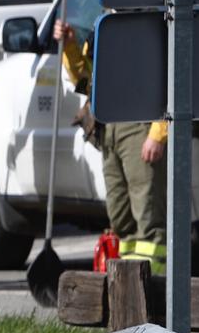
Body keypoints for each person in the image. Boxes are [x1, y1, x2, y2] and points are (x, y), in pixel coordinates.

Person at [57, 20, 168, 275]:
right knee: (120, 217)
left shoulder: (149, 20)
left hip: (139, 127)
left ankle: (157, 291)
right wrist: (69, 46)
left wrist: (158, 132)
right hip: (109, 128)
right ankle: (131, 289)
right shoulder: (105, 25)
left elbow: (170, 79)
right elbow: (87, 79)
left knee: (148, 218)